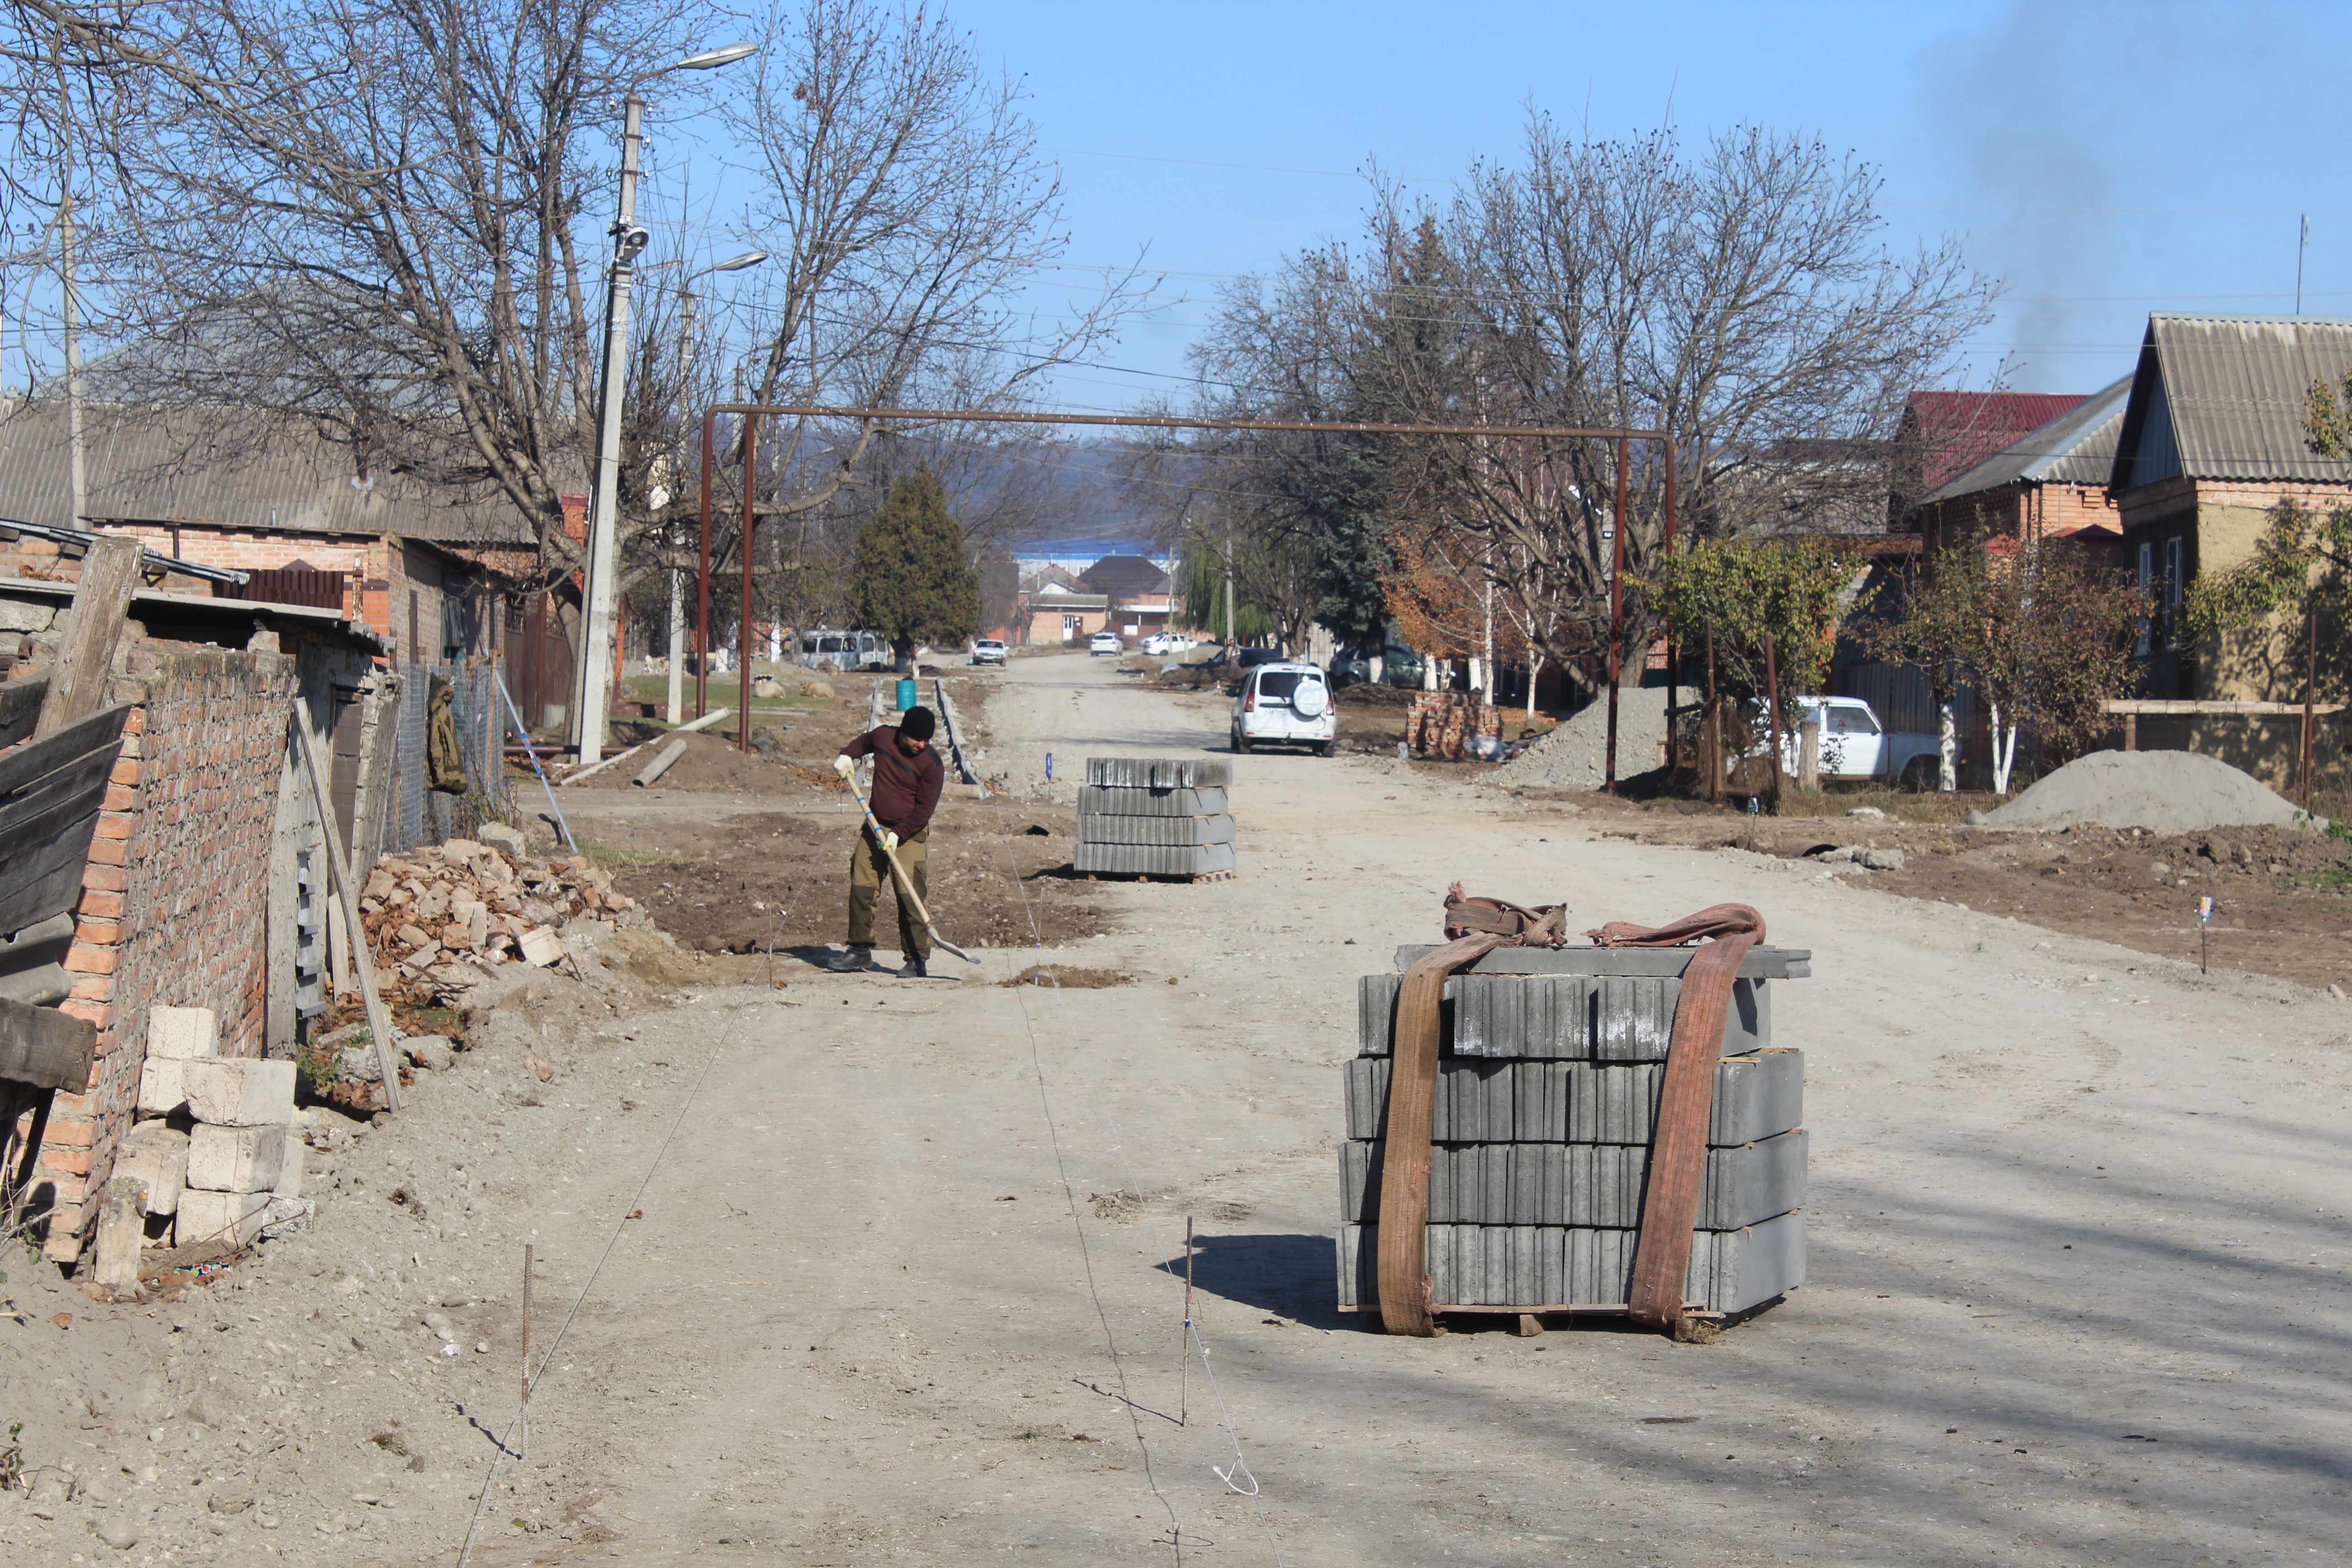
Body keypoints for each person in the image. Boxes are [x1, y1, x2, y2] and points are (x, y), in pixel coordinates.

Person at [830, 706, 945, 978]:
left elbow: (924, 810)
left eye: (927, 739)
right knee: (862, 886)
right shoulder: (883, 738)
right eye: (917, 738)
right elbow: (865, 742)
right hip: (874, 826)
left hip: (909, 835)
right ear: (903, 733)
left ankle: (917, 959)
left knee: (910, 895)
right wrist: (847, 755)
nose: (922, 744)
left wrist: (898, 834)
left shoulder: (932, 765)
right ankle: (859, 950)